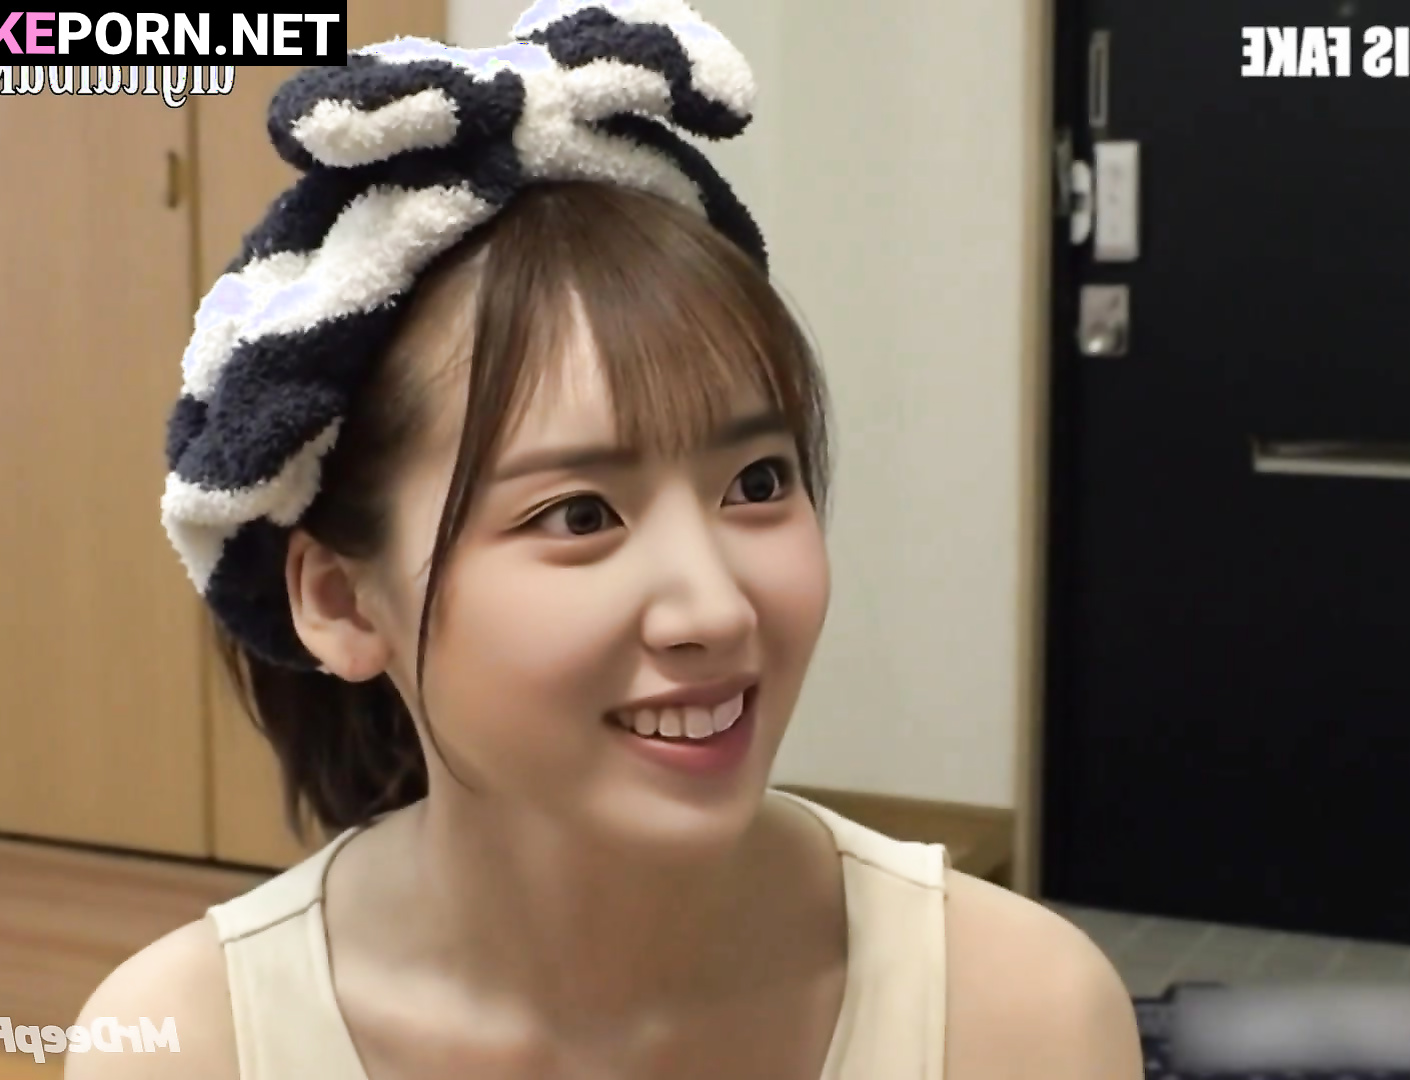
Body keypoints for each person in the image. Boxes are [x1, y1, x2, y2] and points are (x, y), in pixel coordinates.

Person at [71, 3, 1141, 1077]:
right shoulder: (186, 1043)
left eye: (757, 483)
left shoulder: (1019, 1013)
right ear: (344, 601)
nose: (714, 608)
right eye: (580, 514)